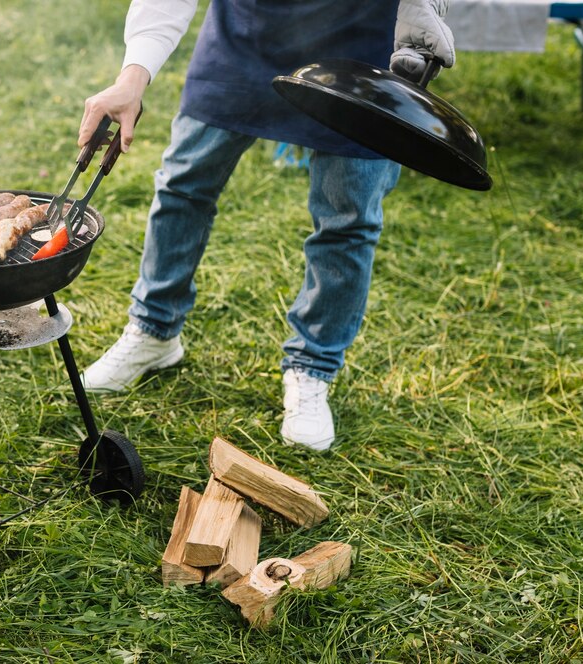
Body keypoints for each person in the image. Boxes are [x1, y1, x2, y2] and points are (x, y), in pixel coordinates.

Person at [77, 0, 456, 451]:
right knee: (182, 188)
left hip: (361, 43)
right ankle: (154, 329)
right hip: (245, 34)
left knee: (348, 220)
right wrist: (131, 76)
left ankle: (313, 367)